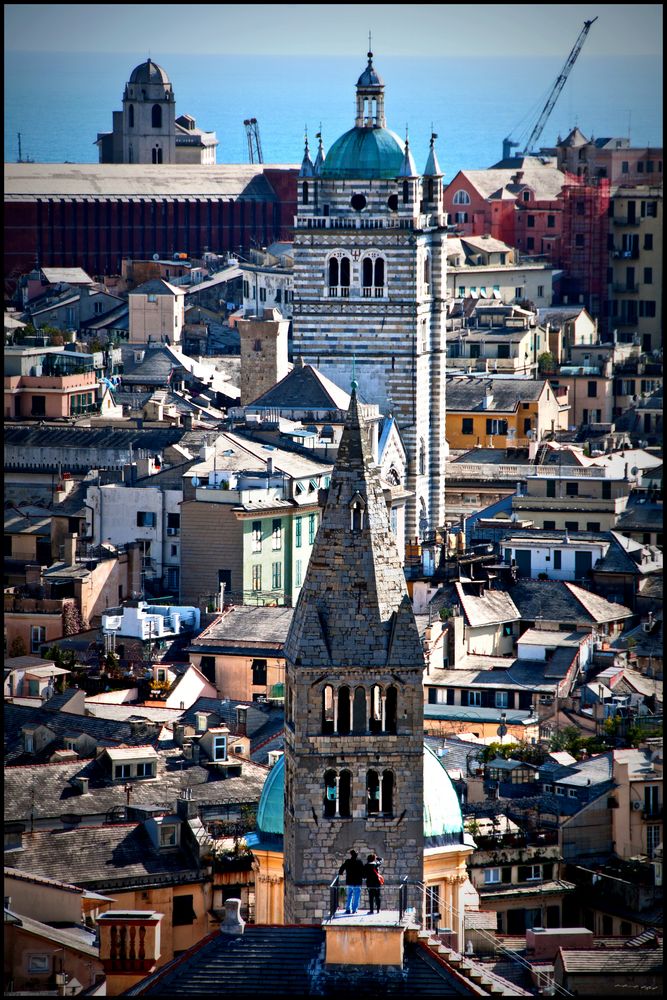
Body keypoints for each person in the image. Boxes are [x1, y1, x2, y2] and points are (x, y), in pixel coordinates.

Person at [338, 849, 365, 914]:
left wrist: (340, 873)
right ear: (356, 855)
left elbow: (342, 868)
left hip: (350, 881)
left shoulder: (348, 861)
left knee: (349, 895)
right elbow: (363, 871)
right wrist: (364, 876)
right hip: (358, 881)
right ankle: (354, 909)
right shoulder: (359, 862)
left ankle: (348, 909)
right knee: (356, 896)